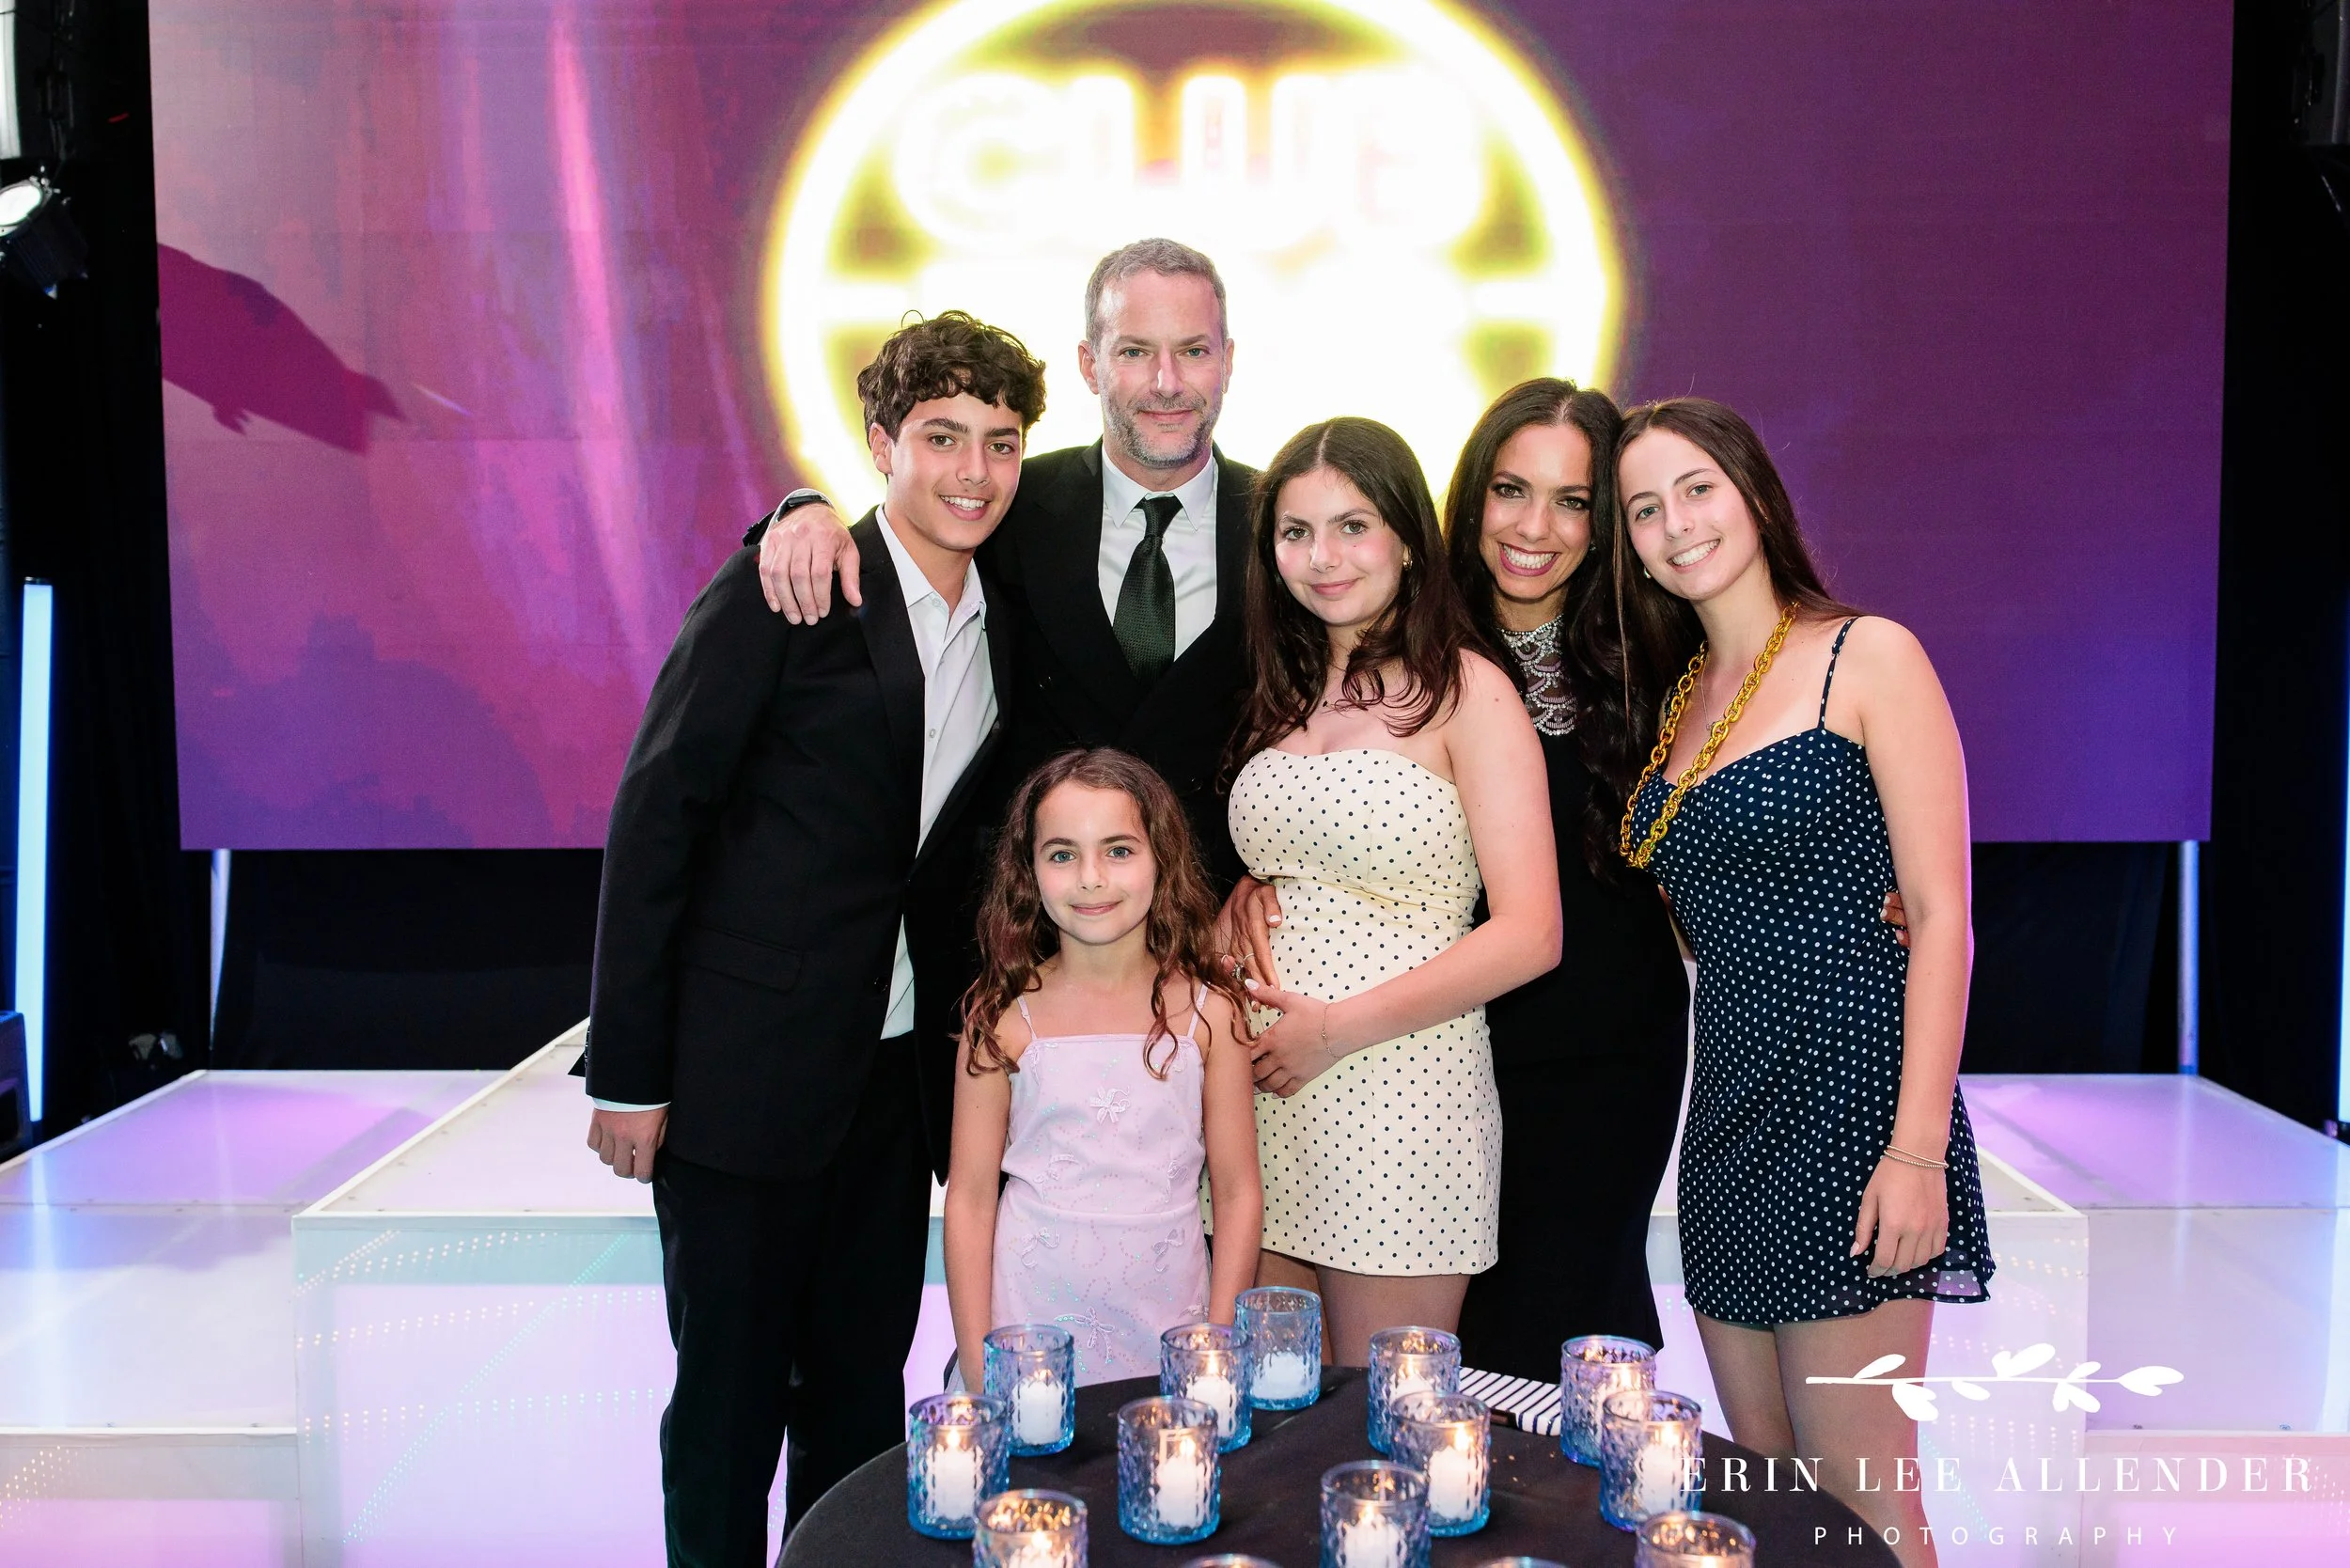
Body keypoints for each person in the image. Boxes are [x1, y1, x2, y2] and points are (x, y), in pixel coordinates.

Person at [580, 311, 1047, 1564]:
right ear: (880, 442)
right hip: (742, 1075)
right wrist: (630, 1070)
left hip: (891, 1091)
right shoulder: (791, 582)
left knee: (855, 1403)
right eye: (941, 438)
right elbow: (658, 815)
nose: (972, 473)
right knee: (729, 1403)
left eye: (1001, 445)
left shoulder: (1010, 617)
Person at [1612, 397, 1991, 1568]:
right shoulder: (1673, 705)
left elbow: (1941, 918)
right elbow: (1700, 919)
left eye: (1696, 490)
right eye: (1642, 509)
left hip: (1854, 1112)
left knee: (1868, 1503)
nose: (1675, 525)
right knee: (1773, 1501)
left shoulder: (1862, 654)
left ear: (1752, 493)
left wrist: (1916, 1149)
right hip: (1726, 1127)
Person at [751, 237, 1255, 888]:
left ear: (1228, 360)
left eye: (1193, 351)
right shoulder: (1005, 498)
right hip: (1028, 934)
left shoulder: (1285, 526)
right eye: (1134, 351)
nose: (1167, 382)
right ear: (1091, 364)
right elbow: (898, 534)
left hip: (1226, 929)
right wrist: (803, 509)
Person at [1227, 416, 1561, 1365]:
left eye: (1352, 525)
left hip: (1399, 1096)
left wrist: (1333, 1029)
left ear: (1409, 540)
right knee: (1272, 1427)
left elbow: (1532, 932)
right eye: (1296, 532)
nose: (1322, 557)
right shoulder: (1283, 690)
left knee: (1386, 1426)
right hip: (1263, 1099)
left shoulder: (1468, 691)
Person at [1434, 380, 1692, 1380]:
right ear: (1471, 497)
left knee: (1577, 1324)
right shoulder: (1415, 647)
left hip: (1610, 1058)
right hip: (1451, 1043)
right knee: (1452, 1342)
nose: (1533, 528)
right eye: (1510, 489)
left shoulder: (1657, 652)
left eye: (1573, 501)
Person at [943, 748, 1262, 1386]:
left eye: (1118, 850)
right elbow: (972, 1200)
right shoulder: (1001, 1016)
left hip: (1170, 1330)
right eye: (1062, 854)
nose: (1091, 878)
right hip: (1029, 1330)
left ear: (1161, 860)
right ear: (1028, 873)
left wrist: (1219, 1343)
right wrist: (979, 1365)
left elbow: (1237, 1193)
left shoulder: (1211, 1015)